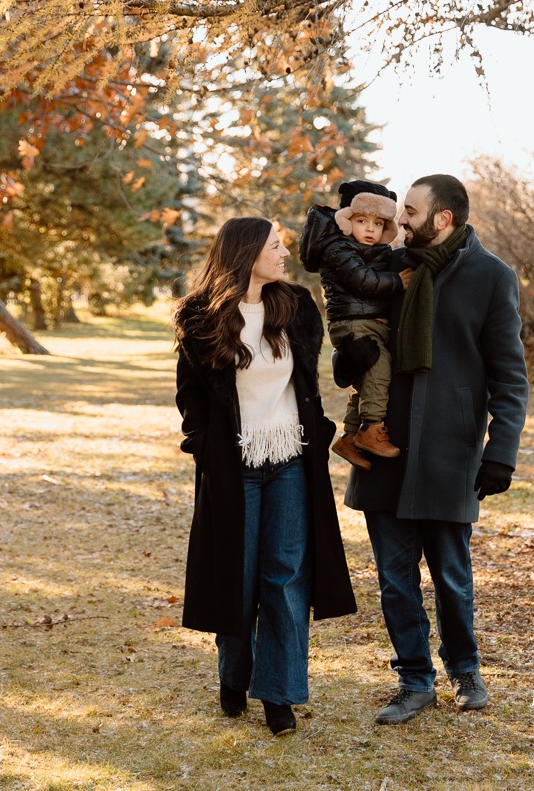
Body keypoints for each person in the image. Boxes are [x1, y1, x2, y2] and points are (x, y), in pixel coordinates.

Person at [343, 174, 529, 725]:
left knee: (452, 576)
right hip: (386, 450)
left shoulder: (492, 278)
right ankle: (413, 680)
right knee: (394, 578)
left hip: (451, 453)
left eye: (411, 212)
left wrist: (502, 452)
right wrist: (346, 362)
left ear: (442, 218)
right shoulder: (386, 269)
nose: (400, 221)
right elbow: (357, 332)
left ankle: (465, 670)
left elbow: (510, 377)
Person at [174, 217, 356, 737]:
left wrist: (317, 430)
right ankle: (234, 677)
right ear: (247, 252)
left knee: (286, 578)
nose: (284, 253)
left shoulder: (296, 306)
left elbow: (307, 380)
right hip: (234, 466)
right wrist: (203, 447)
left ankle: (279, 694)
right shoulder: (201, 316)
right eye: (276, 245)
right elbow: (191, 396)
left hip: (291, 460)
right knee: (239, 574)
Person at [299, 179, 413, 470]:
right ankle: (372, 428)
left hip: (365, 322)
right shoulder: (337, 248)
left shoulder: (367, 249)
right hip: (353, 323)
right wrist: (397, 281)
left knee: (366, 380)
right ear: (346, 221)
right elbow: (362, 281)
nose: (370, 229)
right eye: (362, 220)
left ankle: (350, 436)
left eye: (377, 223)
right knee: (379, 368)